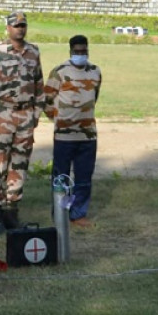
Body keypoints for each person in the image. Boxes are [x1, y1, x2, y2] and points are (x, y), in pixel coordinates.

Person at [0, 11, 46, 234]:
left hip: (25, 116)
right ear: (8, 28)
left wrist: (36, 113)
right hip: (3, 113)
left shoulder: (33, 52)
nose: (20, 29)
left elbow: (38, 84)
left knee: (19, 165)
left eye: (23, 25)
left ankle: (12, 211)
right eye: (16, 25)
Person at [45, 35, 102, 228]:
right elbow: (47, 100)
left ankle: (78, 213)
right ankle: (60, 212)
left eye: (83, 51)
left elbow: (95, 97)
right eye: (77, 52)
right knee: (61, 178)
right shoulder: (59, 72)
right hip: (64, 136)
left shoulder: (95, 72)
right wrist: (61, 120)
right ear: (70, 52)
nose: (80, 55)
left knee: (84, 177)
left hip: (88, 135)